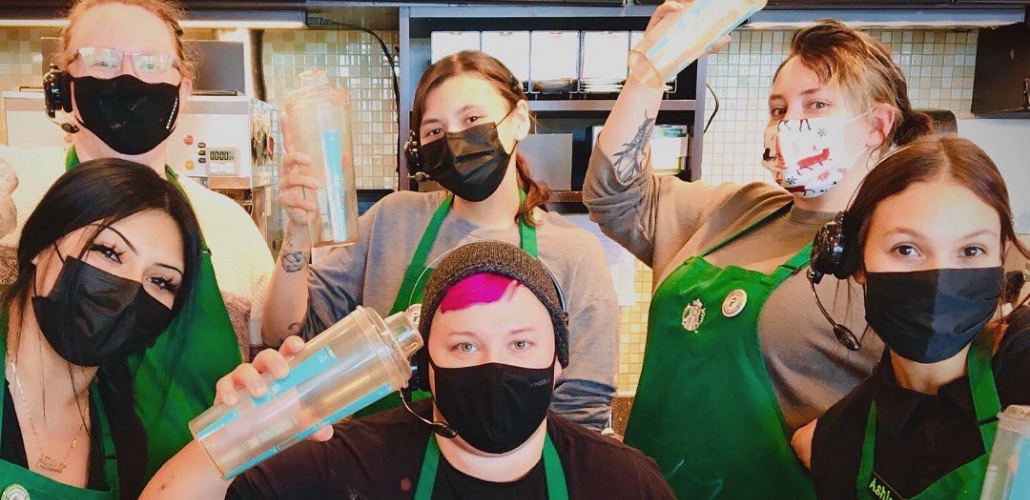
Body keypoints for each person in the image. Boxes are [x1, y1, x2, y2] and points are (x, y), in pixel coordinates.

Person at [583, 3, 936, 498]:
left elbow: (955, 397)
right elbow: (611, 194)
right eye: (779, 109)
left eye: (815, 105)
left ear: (878, 126)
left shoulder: (904, 252)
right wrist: (650, 69)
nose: (789, 123)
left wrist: (867, 433)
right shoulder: (736, 209)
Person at [143, 241, 674, 499]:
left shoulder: (624, 484)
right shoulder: (343, 466)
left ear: (558, 361)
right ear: (424, 369)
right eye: (464, 346)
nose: (494, 366)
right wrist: (240, 434)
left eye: (520, 343)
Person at [263, 50, 618, 429]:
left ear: (518, 120)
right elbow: (283, 331)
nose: (455, 140)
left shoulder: (574, 254)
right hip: (385, 471)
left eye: (472, 119)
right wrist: (299, 232)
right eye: (435, 130)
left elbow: (581, 414)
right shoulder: (391, 220)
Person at [0, 0, 274, 479]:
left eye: (151, 64)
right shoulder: (15, 187)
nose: (128, 81)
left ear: (182, 91)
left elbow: (270, 343)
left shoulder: (229, 225)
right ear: (61, 83)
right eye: (102, 60)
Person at [800, 135, 1030, 500]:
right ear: (857, 263)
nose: (939, 279)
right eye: (906, 249)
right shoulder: (841, 439)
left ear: (1000, 258)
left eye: (971, 250)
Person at [0, 158, 202, 499]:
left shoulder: (124, 437)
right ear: (42, 244)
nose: (130, 290)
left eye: (160, 281)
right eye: (108, 252)